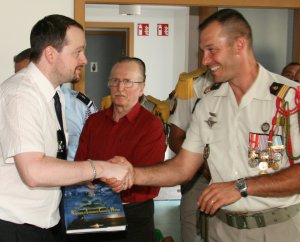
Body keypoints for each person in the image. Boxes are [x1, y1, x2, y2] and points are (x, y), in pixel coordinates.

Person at [108, 9, 300, 242]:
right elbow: (182, 168)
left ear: (239, 45)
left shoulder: (290, 99)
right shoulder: (209, 103)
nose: (204, 61)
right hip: (221, 229)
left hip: (276, 229)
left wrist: (241, 186)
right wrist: (132, 173)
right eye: (203, 51)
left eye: (212, 50)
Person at [0, 14, 132, 242]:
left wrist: (81, 176)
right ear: (51, 54)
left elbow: (50, 157)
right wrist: (99, 169)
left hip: (43, 223)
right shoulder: (21, 94)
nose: (84, 59)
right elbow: (33, 172)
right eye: (77, 52)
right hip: (14, 226)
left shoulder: (55, 94)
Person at [74, 56, 166, 242]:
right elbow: (80, 164)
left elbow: (148, 178)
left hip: (132, 216)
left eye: (128, 82)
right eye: (115, 81)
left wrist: (106, 178)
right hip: (93, 208)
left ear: (141, 88)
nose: (120, 88)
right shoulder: (94, 121)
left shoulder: (151, 125)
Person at [168, 67, 213, 242]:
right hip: (198, 175)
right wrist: (202, 166)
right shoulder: (191, 86)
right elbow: (175, 139)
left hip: (237, 180)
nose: (205, 59)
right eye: (205, 50)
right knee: (191, 235)